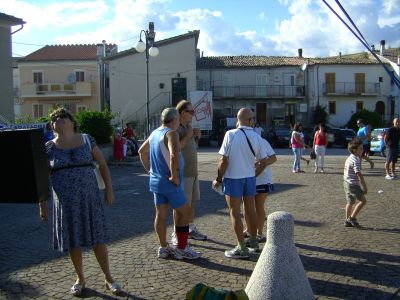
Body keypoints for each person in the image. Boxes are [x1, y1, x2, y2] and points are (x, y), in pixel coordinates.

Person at [39, 108, 121, 296]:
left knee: (97, 238)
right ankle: (80, 278)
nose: (57, 120)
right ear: (52, 126)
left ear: (72, 121)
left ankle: (108, 277)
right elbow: (43, 177)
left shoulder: (86, 139)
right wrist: (42, 204)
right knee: (73, 240)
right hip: (65, 202)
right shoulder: (49, 147)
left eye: (62, 117)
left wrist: (109, 189)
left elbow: (102, 164)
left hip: (89, 198)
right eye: (54, 119)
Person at [138, 107, 201, 260]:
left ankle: (163, 246)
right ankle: (182, 248)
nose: (179, 124)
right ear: (174, 120)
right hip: (170, 182)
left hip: (156, 181)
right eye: (178, 121)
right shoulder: (170, 133)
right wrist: (174, 176)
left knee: (160, 214)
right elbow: (174, 155)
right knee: (184, 213)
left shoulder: (154, 133)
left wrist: (149, 170)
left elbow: (141, 151)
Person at [212, 108, 268, 259]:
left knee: (234, 212)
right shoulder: (256, 136)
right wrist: (253, 174)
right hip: (249, 178)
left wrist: (218, 179)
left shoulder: (230, 134)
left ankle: (241, 247)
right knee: (251, 210)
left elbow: (223, 160)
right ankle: (254, 242)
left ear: (238, 119)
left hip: (233, 178)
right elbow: (264, 161)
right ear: (250, 120)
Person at [171, 100, 206, 244]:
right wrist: (188, 134)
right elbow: (177, 147)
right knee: (180, 205)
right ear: (182, 113)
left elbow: (192, 147)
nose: (193, 114)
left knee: (191, 203)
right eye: (191, 112)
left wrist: (196, 136)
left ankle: (190, 228)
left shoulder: (189, 127)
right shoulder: (177, 128)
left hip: (193, 171)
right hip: (183, 173)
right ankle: (175, 232)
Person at [243, 138, 277, 243]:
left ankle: (259, 232)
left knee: (259, 206)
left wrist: (260, 163)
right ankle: (248, 229)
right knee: (246, 206)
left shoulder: (261, 141)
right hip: (245, 177)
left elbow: (273, 158)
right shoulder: (239, 139)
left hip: (262, 178)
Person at [343, 137, 367, 227]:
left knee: (350, 202)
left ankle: (346, 220)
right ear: (355, 150)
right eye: (361, 148)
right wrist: (364, 187)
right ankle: (352, 218)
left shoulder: (350, 158)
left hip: (346, 182)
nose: (362, 150)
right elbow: (359, 174)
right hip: (353, 184)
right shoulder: (355, 160)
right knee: (363, 201)